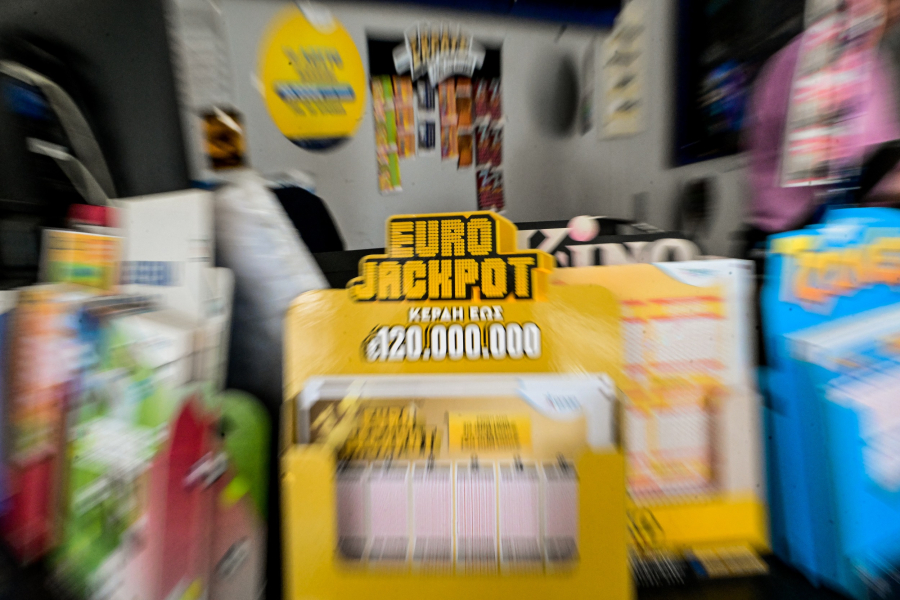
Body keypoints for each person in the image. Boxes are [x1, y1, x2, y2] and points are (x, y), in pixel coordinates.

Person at [745, 0, 900, 243]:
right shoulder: (820, 55)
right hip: (796, 241)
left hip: (844, 238)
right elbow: (854, 170)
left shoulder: (870, 60)